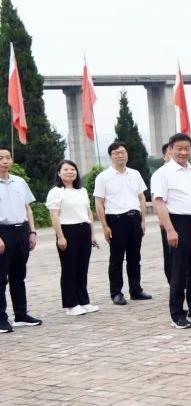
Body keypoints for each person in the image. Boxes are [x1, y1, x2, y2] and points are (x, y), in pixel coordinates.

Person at [153, 133, 191, 329]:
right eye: (179, 148)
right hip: (178, 224)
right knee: (179, 270)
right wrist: (170, 230)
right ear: (170, 149)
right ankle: (177, 313)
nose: (183, 152)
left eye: (186, 148)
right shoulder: (162, 174)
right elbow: (159, 203)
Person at [94, 142, 152, 305]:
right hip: (116, 220)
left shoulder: (135, 174)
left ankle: (136, 290)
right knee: (117, 258)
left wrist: (142, 220)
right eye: (117, 153)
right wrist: (105, 226)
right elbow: (99, 203)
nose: (121, 155)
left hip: (134, 218)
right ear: (111, 156)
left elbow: (141, 197)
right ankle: (116, 292)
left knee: (135, 256)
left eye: (123, 152)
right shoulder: (103, 177)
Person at [46, 160, 99, 317]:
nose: (70, 172)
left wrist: (92, 234)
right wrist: (60, 237)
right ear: (59, 173)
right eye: (66, 169)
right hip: (67, 231)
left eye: (73, 169)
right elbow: (54, 215)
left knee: (82, 268)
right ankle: (71, 304)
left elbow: (88, 213)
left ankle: (84, 301)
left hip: (84, 229)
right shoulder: (56, 191)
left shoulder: (81, 190)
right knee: (69, 268)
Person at [0, 147, 42, 332]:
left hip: (21, 231)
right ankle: (1, 318)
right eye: (1, 158)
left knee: (19, 276)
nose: (5, 161)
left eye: (8, 157)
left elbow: (28, 209)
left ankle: (21, 314)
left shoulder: (20, 181)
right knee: (1, 278)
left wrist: (32, 232)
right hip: (3, 232)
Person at [150, 142, 174, 282]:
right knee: (170, 251)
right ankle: (172, 278)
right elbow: (156, 199)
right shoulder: (160, 174)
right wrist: (161, 219)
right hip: (168, 217)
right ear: (164, 157)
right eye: (170, 154)